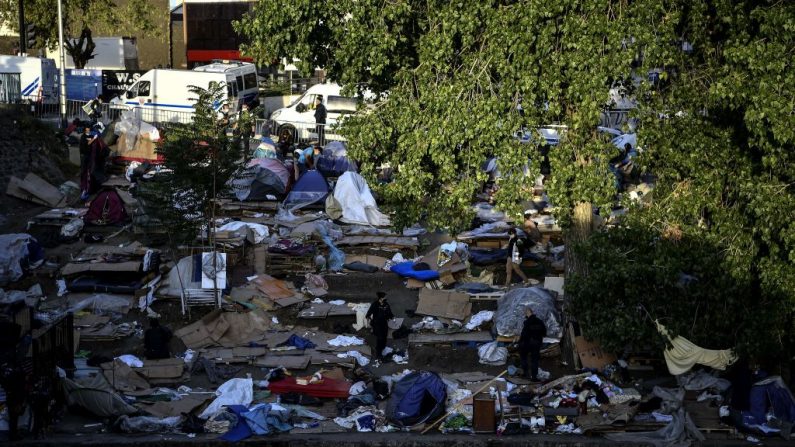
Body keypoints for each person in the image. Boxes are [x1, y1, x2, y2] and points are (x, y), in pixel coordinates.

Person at [518, 307, 546, 381]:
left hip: (526, 343)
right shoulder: (540, 322)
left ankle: (526, 374)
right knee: (535, 360)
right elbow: (544, 333)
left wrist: (520, 343)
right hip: (536, 343)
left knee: (523, 357)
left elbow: (524, 334)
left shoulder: (527, 322)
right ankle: (534, 377)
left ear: (527, 314)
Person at [365, 291, 393, 360]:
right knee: (380, 338)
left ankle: (383, 348)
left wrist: (392, 317)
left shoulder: (386, 304)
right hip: (377, 324)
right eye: (385, 297)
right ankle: (378, 353)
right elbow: (368, 314)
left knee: (384, 336)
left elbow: (389, 312)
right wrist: (371, 321)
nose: (386, 298)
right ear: (381, 298)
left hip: (384, 323)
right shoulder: (375, 304)